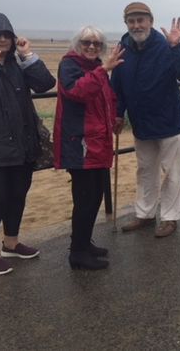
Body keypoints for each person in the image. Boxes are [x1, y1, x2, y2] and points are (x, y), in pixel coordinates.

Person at [111, 2, 180, 238]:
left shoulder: (166, 45)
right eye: (132, 21)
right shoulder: (123, 46)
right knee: (145, 170)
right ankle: (145, 214)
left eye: (141, 20)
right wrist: (118, 112)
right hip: (141, 122)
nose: (137, 25)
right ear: (126, 24)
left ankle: (170, 218)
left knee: (172, 172)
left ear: (150, 21)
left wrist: (176, 46)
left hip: (169, 121)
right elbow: (117, 85)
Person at [0, 12, 55, 276]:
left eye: (7, 35)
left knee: (17, 195)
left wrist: (28, 57)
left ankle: (11, 242)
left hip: (24, 144)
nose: (2, 39)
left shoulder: (17, 64)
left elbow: (46, 84)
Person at [54, 27, 124, 270]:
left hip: (98, 142)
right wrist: (104, 69)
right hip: (79, 143)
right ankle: (77, 253)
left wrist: (115, 116)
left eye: (97, 43)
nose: (92, 47)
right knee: (84, 198)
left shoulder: (95, 69)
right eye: (87, 42)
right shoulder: (69, 65)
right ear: (78, 43)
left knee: (95, 196)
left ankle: (84, 243)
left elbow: (107, 96)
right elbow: (77, 91)